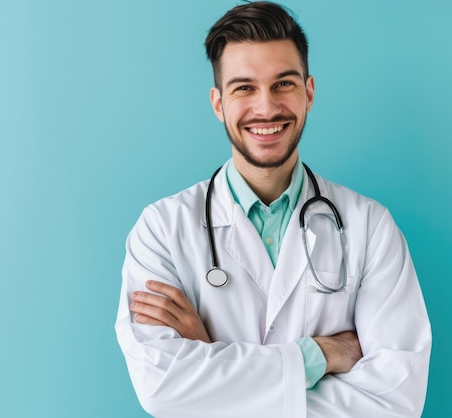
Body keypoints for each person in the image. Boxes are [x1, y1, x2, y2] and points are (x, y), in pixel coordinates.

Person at [115, 1, 431, 417]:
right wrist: (317, 354)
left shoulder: (369, 225)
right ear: (218, 103)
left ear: (309, 92)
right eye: (244, 87)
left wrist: (212, 357)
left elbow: (395, 400)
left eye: (283, 84)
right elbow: (162, 387)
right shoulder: (161, 228)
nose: (266, 108)